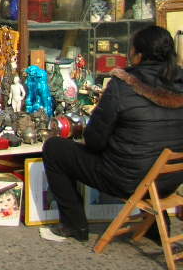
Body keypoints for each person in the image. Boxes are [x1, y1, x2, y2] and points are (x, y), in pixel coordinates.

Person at [41, 25, 183, 242]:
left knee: (55, 149)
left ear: (139, 55)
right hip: (168, 181)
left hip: (128, 181)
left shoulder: (123, 86)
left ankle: (74, 225)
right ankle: (154, 228)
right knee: (151, 154)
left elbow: (94, 141)